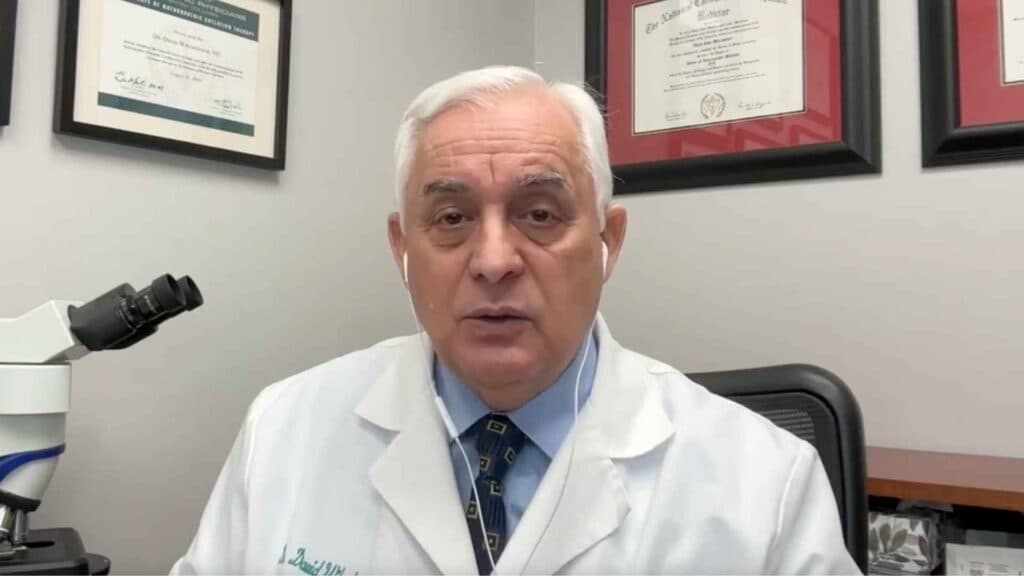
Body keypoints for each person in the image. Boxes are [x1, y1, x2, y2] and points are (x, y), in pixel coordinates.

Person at [171, 66, 860, 575]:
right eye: (451, 218)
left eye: (539, 213)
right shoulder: (282, 431)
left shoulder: (766, 484)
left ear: (608, 241)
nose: (494, 261)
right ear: (402, 249)